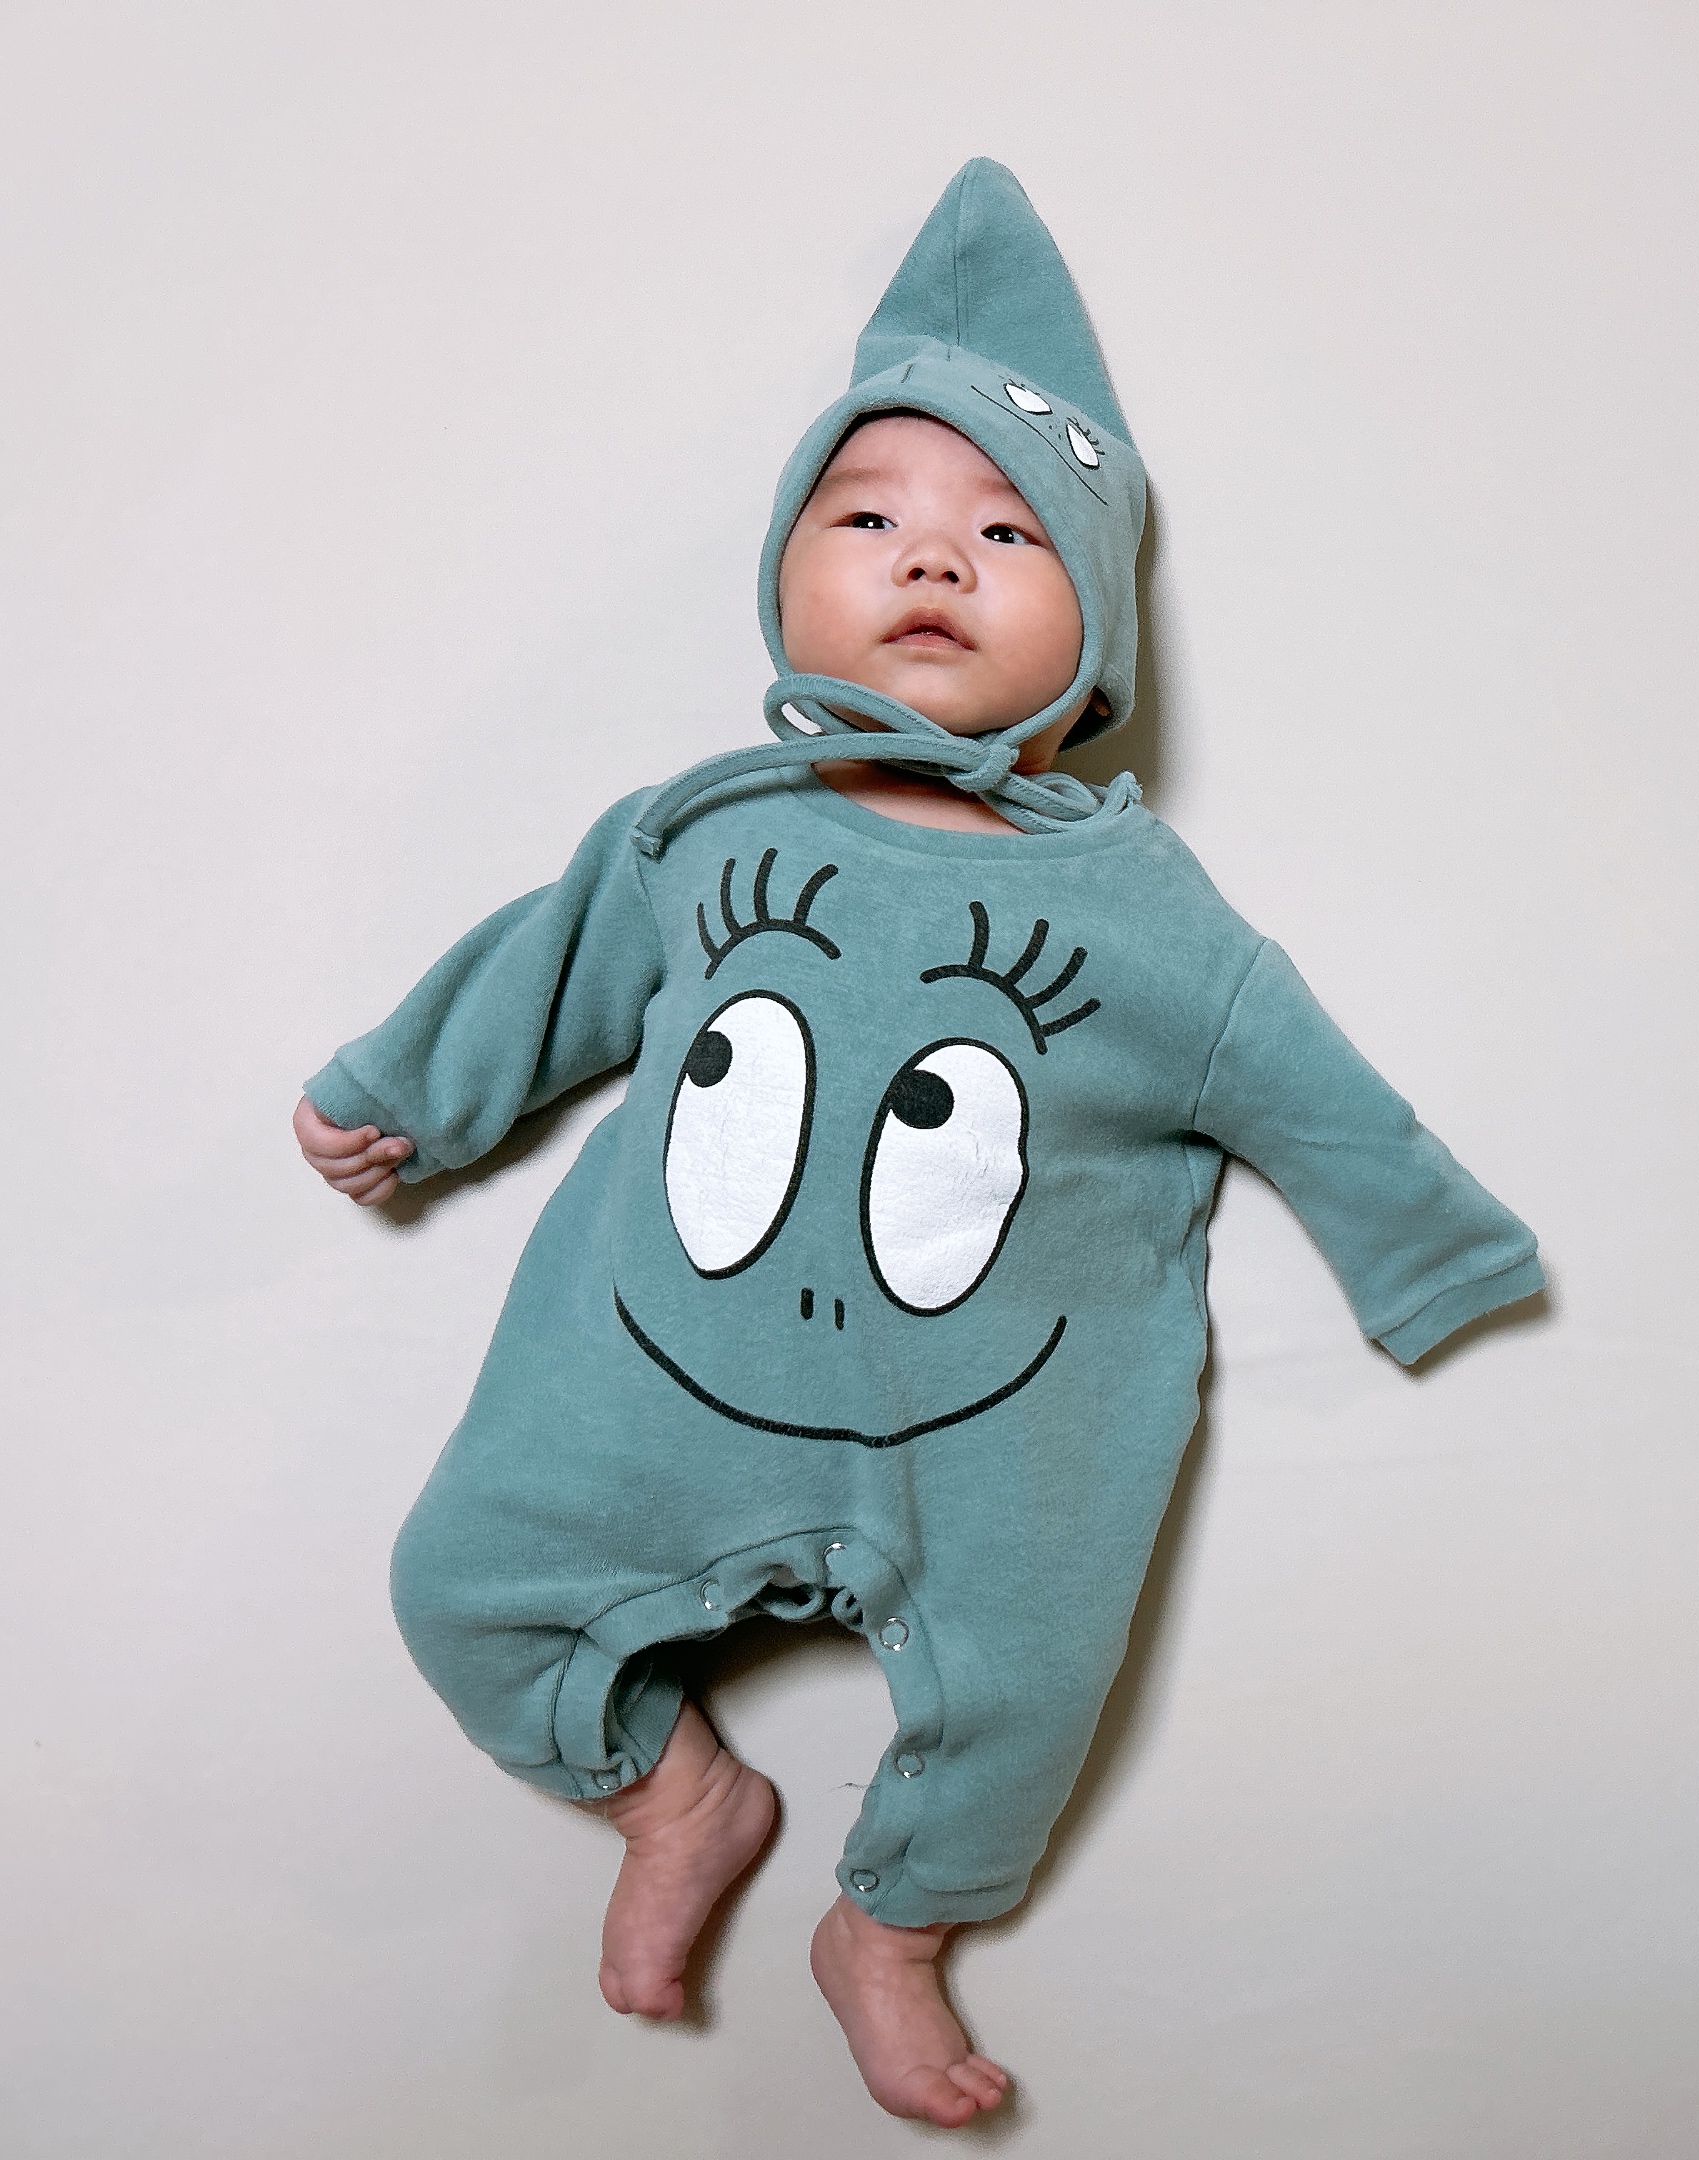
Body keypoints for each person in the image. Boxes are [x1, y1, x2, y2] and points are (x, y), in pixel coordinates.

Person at [293, 160, 1540, 2130]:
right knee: (462, 1582)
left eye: (1009, 532)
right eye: (867, 516)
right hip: (644, 1405)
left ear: (1098, 642)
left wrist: (1430, 1249)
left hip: (998, 1453)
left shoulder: (1144, 911)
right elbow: (550, 968)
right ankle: (680, 1804)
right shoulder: (706, 830)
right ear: (784, 580)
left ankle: (887, 1934)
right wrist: (404, 1091)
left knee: (1023, 1692)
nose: (932, 557)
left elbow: (1305, 1084)